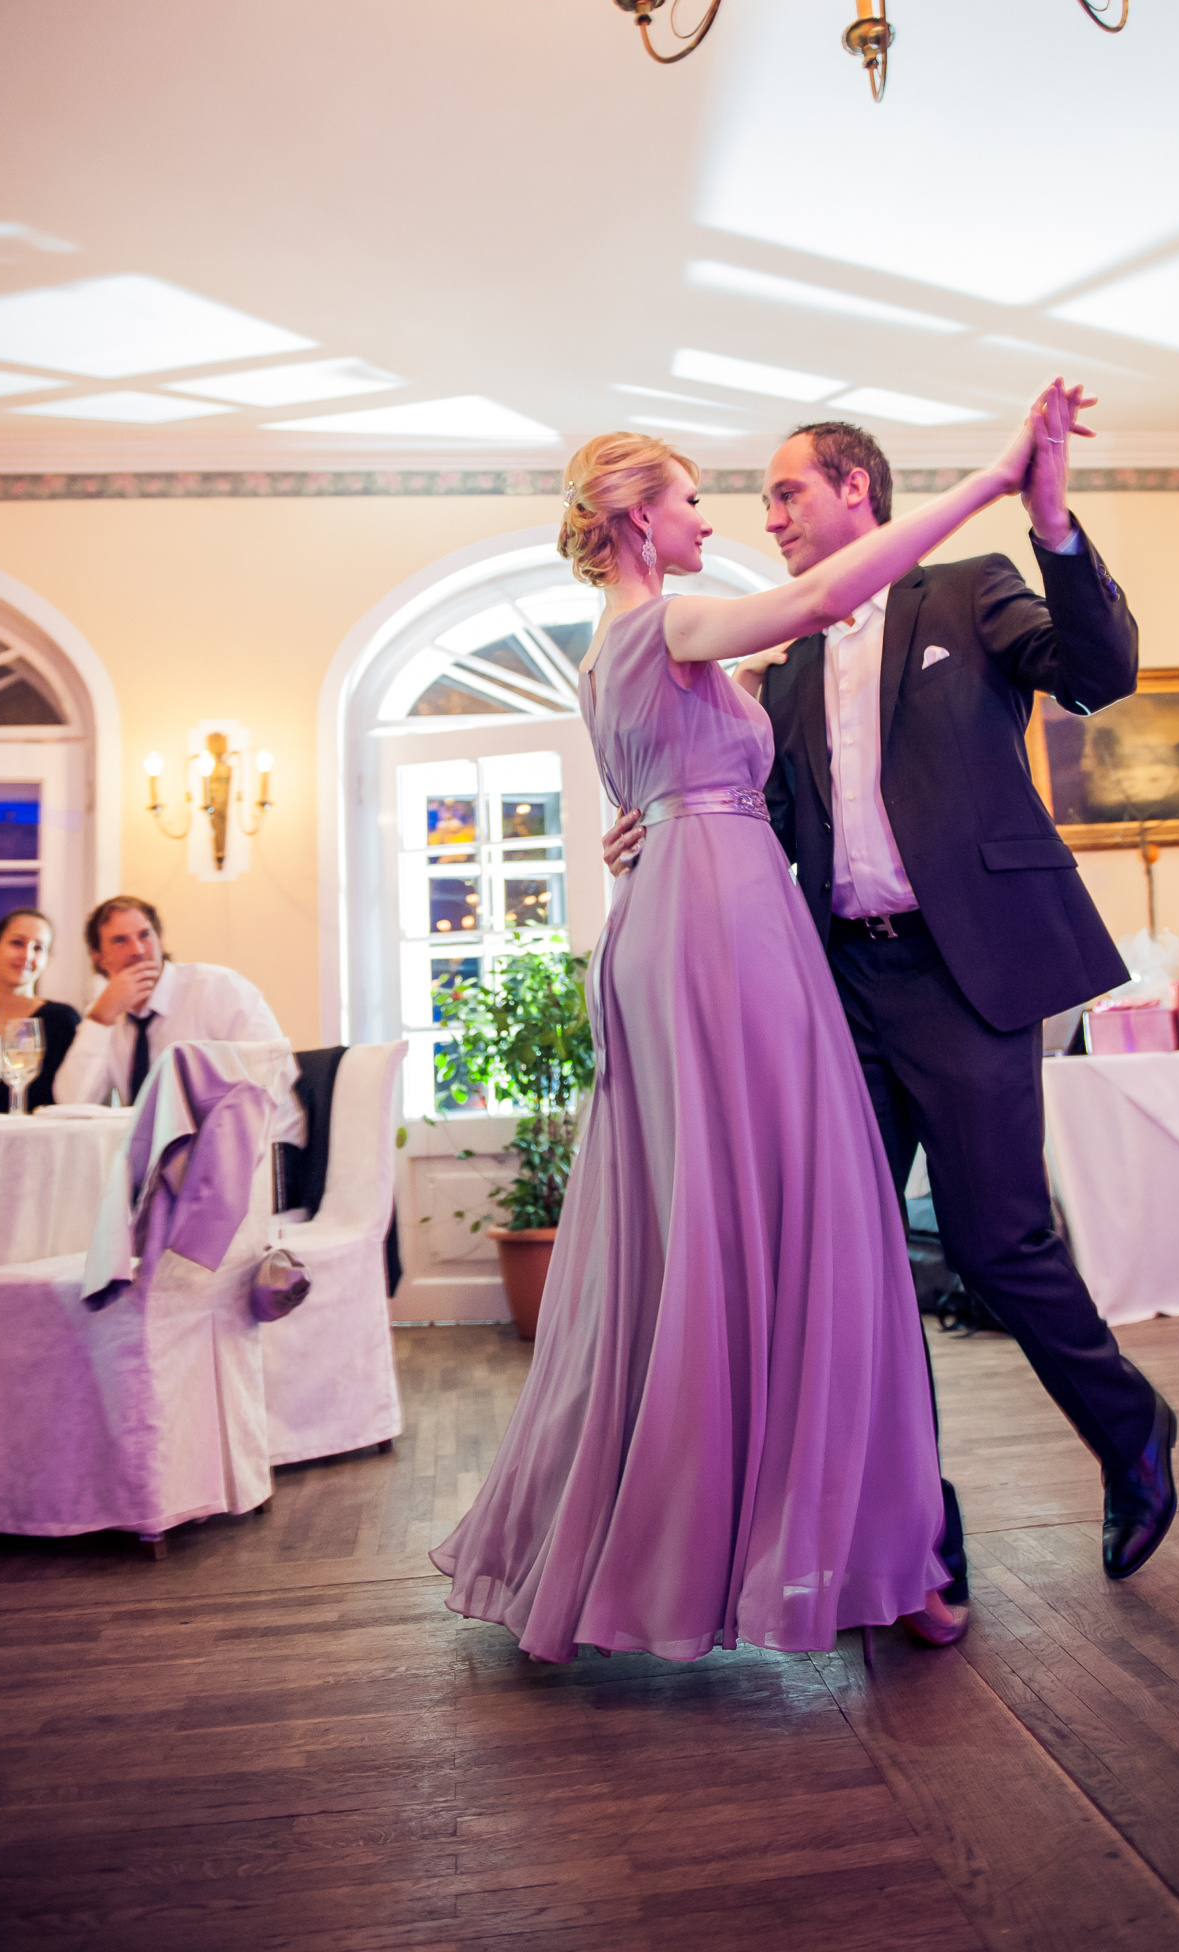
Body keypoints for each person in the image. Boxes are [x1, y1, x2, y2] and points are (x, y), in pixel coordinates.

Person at [432, 405, 1054, 1667]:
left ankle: (809, 1547)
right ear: (634, 519)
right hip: (719, 929)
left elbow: (663, 782)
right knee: (801, 1220)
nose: (709, 520)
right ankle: (839, 1560)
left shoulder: (612, 652)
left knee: (722, 1226)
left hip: (684, 910)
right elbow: (825, 597)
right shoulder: (665, 622)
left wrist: (647, 824)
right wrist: (991, 482)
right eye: (687, 500)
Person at [609, 397, 1176, 1590]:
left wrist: (1051, 523)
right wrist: (656, 830)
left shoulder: (965, 592)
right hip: (835, 989)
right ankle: (921, 1532)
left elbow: (1099, 673)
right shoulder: (781, 665)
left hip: (965, 974)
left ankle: (1131, 1436)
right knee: (851, 1261)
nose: (769, 517)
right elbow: (755, 825)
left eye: (787, 493)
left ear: (855, 488)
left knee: (995, 1242)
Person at [53, 895, 305, 1161]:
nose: (137, 950)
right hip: (164, 1162)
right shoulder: (107, 1013)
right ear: (99, 957)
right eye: (120, 940)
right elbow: (72, 1103)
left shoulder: (218, 988)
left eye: (145, 935)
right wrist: (100, 1019)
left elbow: (272, 1074)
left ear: (160, 940)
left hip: (257, 1148)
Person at [0, 907, 80, 1113]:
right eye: (17, 943)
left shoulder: (62, 1020)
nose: (27, 955)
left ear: (47, 959)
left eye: (38, 948)